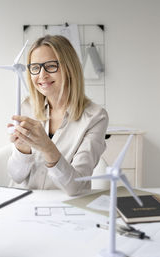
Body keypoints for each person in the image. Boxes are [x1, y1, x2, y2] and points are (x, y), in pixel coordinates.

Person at [7, 35, 108, 196]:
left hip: (66, 208)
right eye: (35, 67)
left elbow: (76, 187)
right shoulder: (26, 107)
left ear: (69, 68)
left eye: (51, 66)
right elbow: (16, 176)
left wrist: (48, 148)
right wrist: (22, 150)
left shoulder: (95, 117)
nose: (42, 75)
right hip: (24, 202)